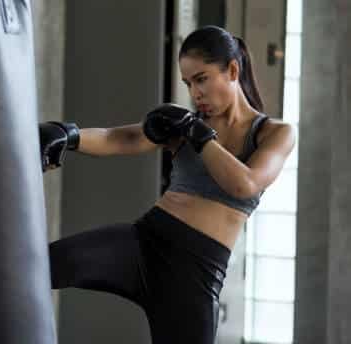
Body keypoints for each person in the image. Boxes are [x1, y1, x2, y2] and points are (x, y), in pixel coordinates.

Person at [39, 25, 296, 344]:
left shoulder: (274, 132)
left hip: (195, 275)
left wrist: (197, 134)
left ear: (232, 70)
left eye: (201, 79)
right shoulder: (190, 126)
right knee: (36, 268)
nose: (195, 94)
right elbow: (119, 138)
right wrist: (68, 134)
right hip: (143, 243)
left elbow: (245, 184)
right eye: (189, 83)